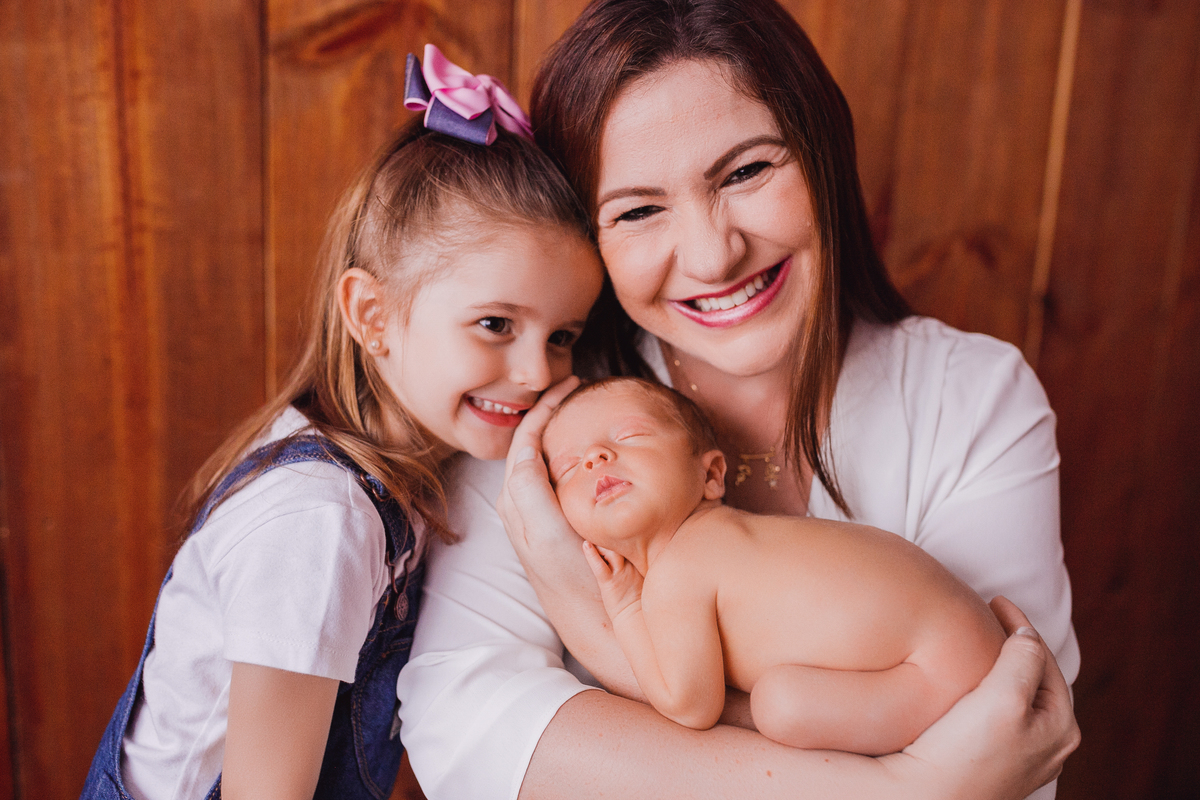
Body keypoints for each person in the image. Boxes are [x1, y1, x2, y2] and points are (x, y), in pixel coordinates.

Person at [396, 2, 1081, 799]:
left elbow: (1015, 735)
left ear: (821, 155)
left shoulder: (970, 395)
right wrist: (909, 790)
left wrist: (592, 641)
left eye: (747, 172)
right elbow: (466, 725)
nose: (713, 255)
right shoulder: (551, 410)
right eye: (638, 210)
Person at [80, 45, 603, 800]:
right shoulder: (318, 522)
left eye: (562, 336)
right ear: (373, 315)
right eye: (495, 324)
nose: (537, 372)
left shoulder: (409, 468)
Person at [543, 376, 1005, 756]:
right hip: (968, 630)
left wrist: (625, 607)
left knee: (776, 704)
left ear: (711, 475)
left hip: (939, 672)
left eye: (629, 436)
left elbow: (688, 706)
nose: (595, 458)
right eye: (568, 468)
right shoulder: (740, 538)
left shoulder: (678, 571)